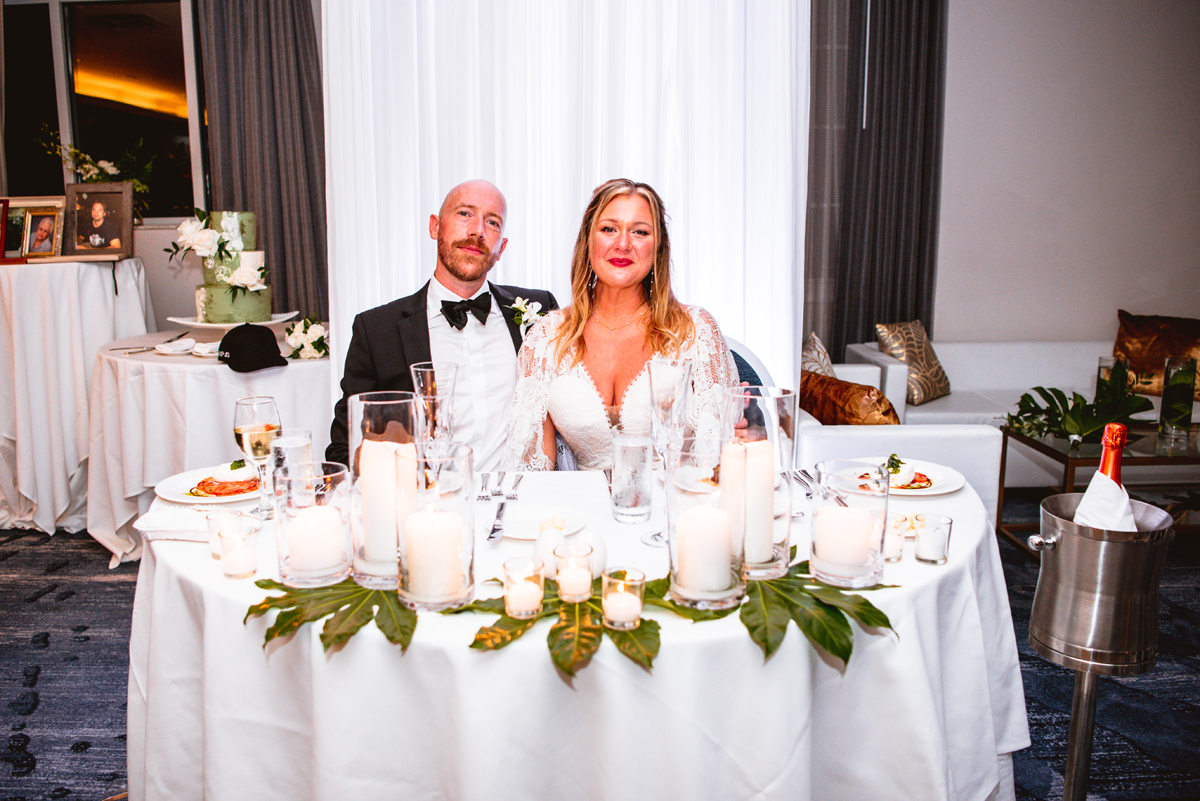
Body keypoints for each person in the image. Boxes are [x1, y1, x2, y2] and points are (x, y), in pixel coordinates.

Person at [500, 178, 737, 471]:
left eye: (640, 232)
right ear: (589, 241)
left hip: (677, 498)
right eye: (609, 229)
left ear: (657, 247)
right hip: (579, 501)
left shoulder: (696, 331)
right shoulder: (546, 338)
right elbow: (530, 472)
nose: (623, 244)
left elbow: (720, 462)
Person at [327, 179, 559, 471]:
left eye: (492, 222)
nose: (477, 230)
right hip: (424, 496)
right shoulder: (377, 331)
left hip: (520, 494)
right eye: (464, 214)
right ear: (435, 227)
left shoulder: (540, 310)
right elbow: (344, 448)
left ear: (501, 247)